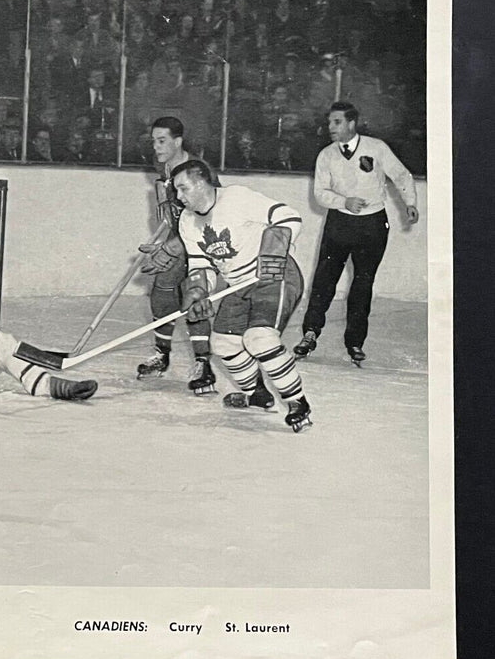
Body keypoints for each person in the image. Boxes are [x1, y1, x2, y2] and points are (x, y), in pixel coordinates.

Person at [171, 160, 312, 432]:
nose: (179, 197)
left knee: (259, 337)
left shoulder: (236, 197)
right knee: (223, 343)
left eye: (183, 188)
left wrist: (275, 247)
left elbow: (290, 216)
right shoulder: (187, 221)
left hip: (274, 277)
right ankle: (258, 394)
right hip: (238, 284)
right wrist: (199, 291)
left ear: (202, 182)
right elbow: (201, 265)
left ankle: (298, 403)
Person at [292, 102, 419, 365]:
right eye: (329, 123)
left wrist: (410, 203)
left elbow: (401, 175)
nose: (330, 128)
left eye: (336, 122)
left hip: (372, 225)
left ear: (352, 123)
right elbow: (320, 194)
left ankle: (355, 343)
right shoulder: (326, 155)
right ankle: (310, 333)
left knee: (363, 284)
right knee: (324, 281)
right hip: (339, 224)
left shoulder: (376, 148)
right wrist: (344, 202)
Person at [134, 117, 217, 394]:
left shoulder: (198, 171)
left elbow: (210, 218)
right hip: (180, 237)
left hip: (204, 240)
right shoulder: (163, 165)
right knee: (162, 289)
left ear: (178, 142)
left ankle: (204, 363)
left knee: (192, 293)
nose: (155, 147)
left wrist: (176, 246)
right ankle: (162, 354)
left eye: (162, 141)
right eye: (153, 141)